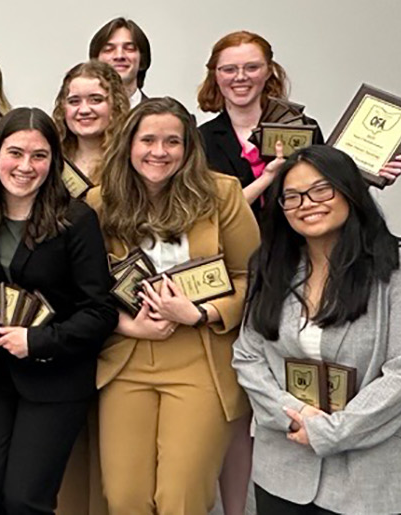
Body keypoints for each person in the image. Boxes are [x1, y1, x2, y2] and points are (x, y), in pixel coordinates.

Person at [232, 145, 401, 514]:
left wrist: (331, 431)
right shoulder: (271, 267)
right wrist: (291, 412)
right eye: (292, 196)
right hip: (284, 466)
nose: (307, 203)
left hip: (371, 473)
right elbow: (248, 355)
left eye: (321, 190)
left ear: (350, 191)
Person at [85, 98, 258, 514]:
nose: (159, 152)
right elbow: (83, 288)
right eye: (147, 140)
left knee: (180, 497)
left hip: (200, 357)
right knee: (125, 496)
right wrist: (127, 326)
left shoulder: (221, 194)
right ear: (128, 144)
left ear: (188, 148)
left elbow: (251, 278)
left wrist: (200, 313)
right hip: (125, 359)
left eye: (172, 142)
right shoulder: (99, 202)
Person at [0, 107, 116, 515]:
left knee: (25, 500)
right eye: (15, 153)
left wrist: (38, 341)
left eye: (39, 156)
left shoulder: (76, 220)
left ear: (53, 162)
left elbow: (100, 311)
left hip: (54, 378)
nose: (26, 166)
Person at [196, 31, 401, 204]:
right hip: (235, 254)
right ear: (216, 75)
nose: (241, 77)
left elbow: (329, 194)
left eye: (252, 67)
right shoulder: (200, 139)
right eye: (229, 69)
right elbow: (212, 213)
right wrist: (267, 178)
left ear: (269, 71)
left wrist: (370, 174)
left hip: (299, 251)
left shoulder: (304, 128)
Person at [53, 60, 131, 194]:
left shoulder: (129, 160)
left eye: (96, 100)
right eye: (74, 101)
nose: (84, 110)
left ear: (116, 105)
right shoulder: (51, 159)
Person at [87, 17, 153, 108]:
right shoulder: (80, 115)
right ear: (95, 61)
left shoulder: (158, 118)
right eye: (108, 49)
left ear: (142, 60)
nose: (119, 56)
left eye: (129, 49)